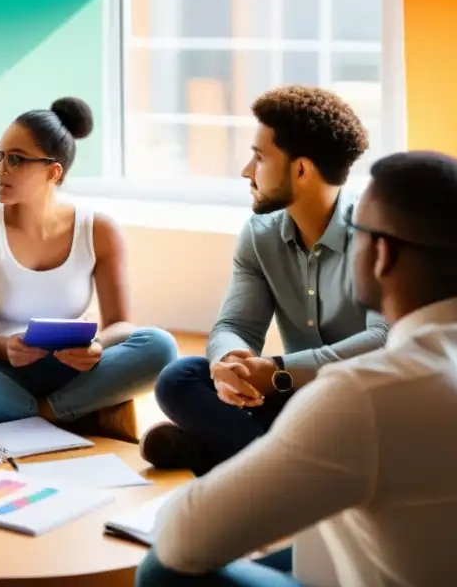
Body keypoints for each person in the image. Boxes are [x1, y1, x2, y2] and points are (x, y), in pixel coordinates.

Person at [136, 151, 457, 587]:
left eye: (356, 231)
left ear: (382, 253)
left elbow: (180, 541)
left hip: (324, 429)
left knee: (162, 570)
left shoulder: (364, 395)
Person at [142, 86, 387, 475]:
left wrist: (278, 368)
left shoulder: (376, 235)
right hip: (293, 399)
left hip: (360, 403)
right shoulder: (260, 233)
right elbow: (236, 325)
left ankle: (226, 455)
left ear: (301, 169)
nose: (246, 171)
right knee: (179, 378)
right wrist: (229, 364)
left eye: (258, 157)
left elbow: (382, 341)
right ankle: (279, 464)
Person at [0, 97, 178, 440]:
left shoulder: (99, 231)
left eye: (15, 159)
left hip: (73, 370)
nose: (1, 168)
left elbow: (121, 324)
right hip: (3, 369)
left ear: (53, 171)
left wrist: (96, 347)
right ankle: (63, 413)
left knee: (160, 345)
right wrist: (6, 348)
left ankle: (34, 415)